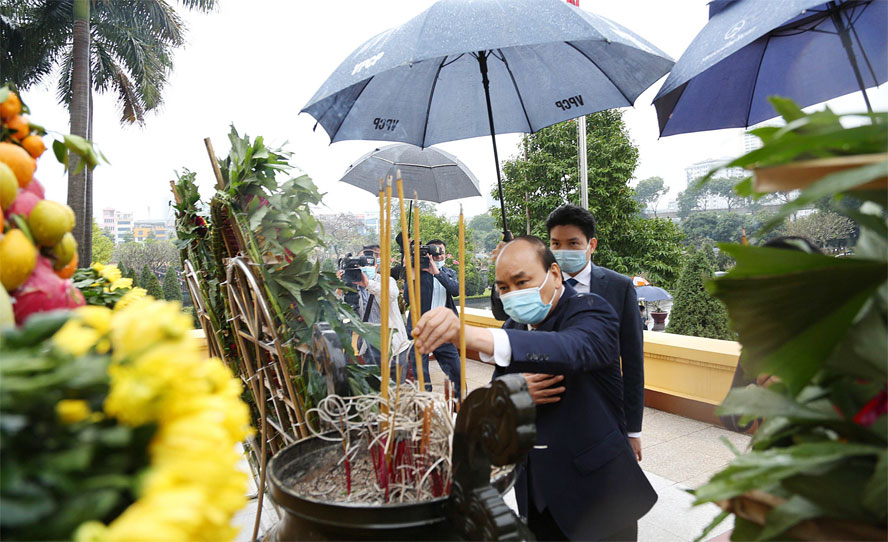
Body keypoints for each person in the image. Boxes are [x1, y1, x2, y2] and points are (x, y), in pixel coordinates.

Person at [412, 236, 656, 541]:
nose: (513, 294)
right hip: (535, 493)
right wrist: (513, 389)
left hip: (599, 496)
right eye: (504, 288)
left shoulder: (593, 311)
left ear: (554, 274)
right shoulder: (513, 328)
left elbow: (570, 348)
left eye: (522, 281)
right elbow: (500, 392)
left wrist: (467, 335)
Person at [544, 204, 646, 462]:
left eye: (573, 243)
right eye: (556, 244)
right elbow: (507, 321)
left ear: (592, 245)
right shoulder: (539, 285)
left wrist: (633, 429)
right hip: (549, 408)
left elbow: (633, 361)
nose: (563, 251)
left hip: (604, 411)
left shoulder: (618, 287)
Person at [405, 238, 462, 391]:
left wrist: (437, 273)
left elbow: (456, 290)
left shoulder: (449, 273)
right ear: (427, 254)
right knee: (421, 374)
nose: (438, 256)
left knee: (457, 371)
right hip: (420, 330)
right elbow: (407, 298)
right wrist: (411, 272)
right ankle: (425, 404)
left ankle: (460, 401)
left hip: (443, 330)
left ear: (445, 254)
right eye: (433, 252)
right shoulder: (418, 274)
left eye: (441, 252)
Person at [348, 244, 410, 382]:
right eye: (361, 262)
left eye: (369, 262)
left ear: (376, 266)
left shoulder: (387, 281)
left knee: (397, 389)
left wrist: (368, 284)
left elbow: (391, 295)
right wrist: (340, 288)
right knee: (376, 389)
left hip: (395, 347)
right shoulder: (352, 287)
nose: (365, 266)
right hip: (370, 347)